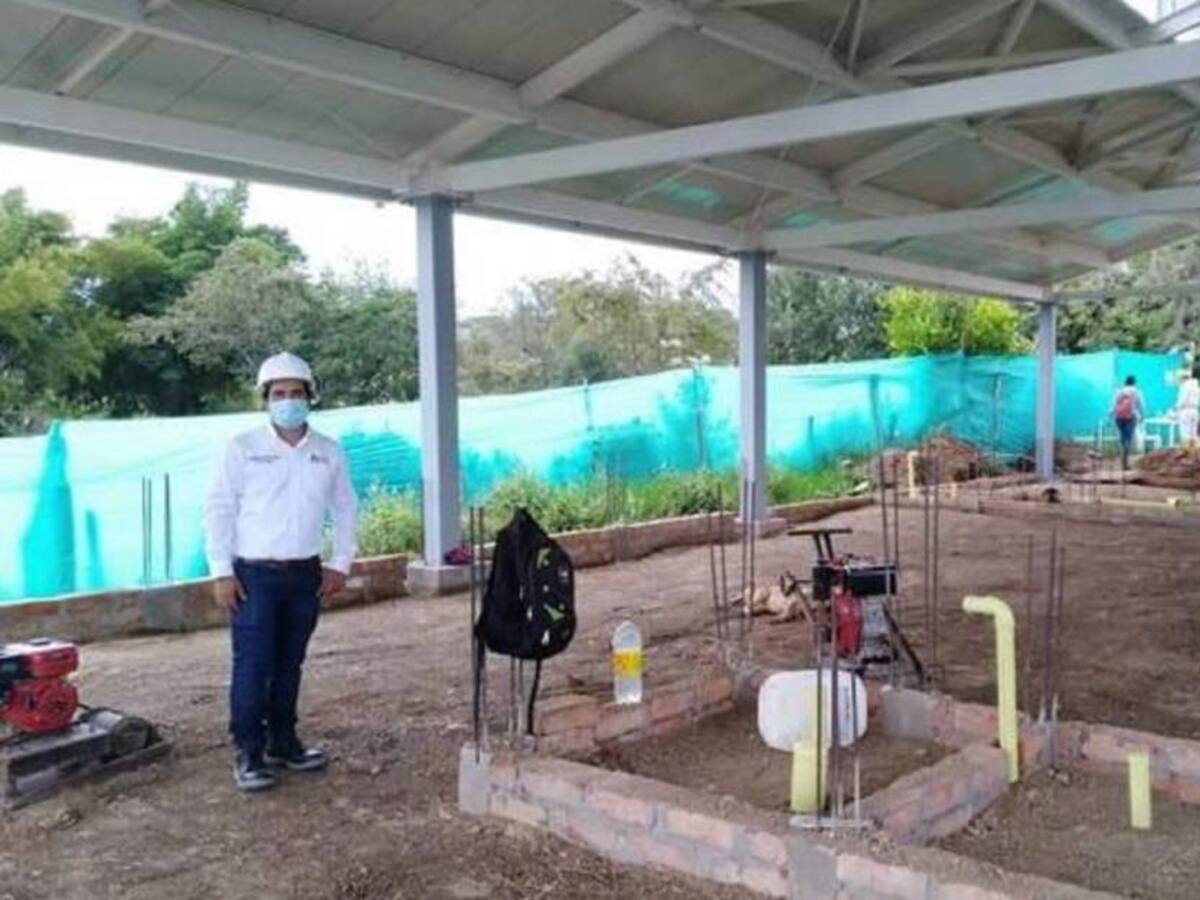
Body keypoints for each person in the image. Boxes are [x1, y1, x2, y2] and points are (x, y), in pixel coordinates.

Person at [205, 352, 357, 792]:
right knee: (253, 665)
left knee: (290, 663)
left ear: (310, 397)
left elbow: (345, 508)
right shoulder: (244, 448)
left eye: (295, 393)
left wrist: (340, 562)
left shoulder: (328, 452)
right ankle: (248, 752)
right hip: (253, 576)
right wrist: (221, 571)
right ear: (266, 399)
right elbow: (219, 509)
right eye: (278, 394)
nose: (287, 400)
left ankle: (284, 742)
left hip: (304, 575)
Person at [1111, 374, 1145, 471]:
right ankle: (1125, 462)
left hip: (1119, 417)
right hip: (1130, 417)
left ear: (1125, 382)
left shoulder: (1119, 391)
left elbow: (1113, 405)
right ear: (1134, 383)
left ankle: (1122, 458)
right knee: (1128, 439)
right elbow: (1141, 406)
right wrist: (1142, 416)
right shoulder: (1137, 392)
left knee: (1122, 438)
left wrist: (1112, 414)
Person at [1176, 368, 1200, 448]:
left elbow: (1182, 400)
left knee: (1185, 433)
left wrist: (1177, 409)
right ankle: (1193, 454)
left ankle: (1185, 453)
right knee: (1193, 434)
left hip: (1186, 411)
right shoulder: (1197, 386)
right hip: (1195, 410)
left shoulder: (1185, 386)